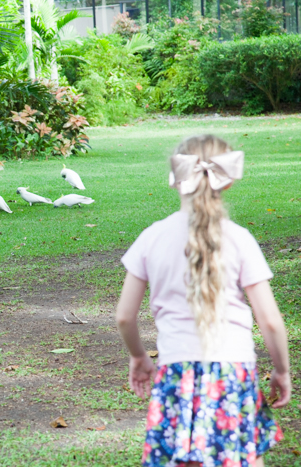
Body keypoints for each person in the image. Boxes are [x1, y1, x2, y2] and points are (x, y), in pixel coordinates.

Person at [115, 135, 291, 467]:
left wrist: (138, 356)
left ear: (176, 178)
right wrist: (282, 370)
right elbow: (269, 320)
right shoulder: (239, 239)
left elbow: (125, 317)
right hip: (233, 372)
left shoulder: (152, 237)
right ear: (227, 183)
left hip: (175, 373)